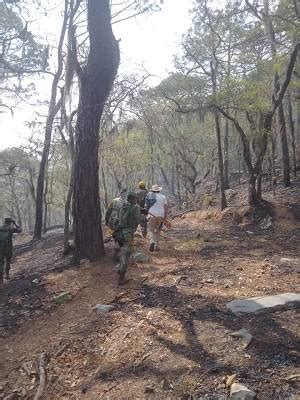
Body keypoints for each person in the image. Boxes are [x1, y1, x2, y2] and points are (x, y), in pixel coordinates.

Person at [114, 192, 140, 285]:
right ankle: (121, 277)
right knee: (126, 253)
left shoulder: (122, 206)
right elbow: (137, 220)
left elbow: (117, 218)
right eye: (136, 199)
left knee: (123, 252)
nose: (136, 200)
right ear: (132, 199)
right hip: (128, 233)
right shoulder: (135, 207)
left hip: (119, 232)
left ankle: (119, 268)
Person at [105, 189, 127, 261]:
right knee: (121, 238)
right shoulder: (129, 203)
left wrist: (107, 221)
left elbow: (108, 211)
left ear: (120, 194)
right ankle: (118, 251)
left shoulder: (114, 200)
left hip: (112, 222)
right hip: (122, 223)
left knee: (114, 235)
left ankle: (117, 250)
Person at [145, 184, 168, 252]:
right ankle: (156, 246)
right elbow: (166, 208)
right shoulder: (163, 197)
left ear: (152, 190)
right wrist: (165, 217)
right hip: (161, 215)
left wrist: (146, 215)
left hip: (151, 215)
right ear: (159, 190)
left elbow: (146, 207)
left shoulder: (149, 196)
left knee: (150, 230)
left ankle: (152, 241)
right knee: (158, 231)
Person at [0, 218, 22, 286]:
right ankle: (7, 274)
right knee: (8, 260)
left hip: (0, 248)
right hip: (8, 248)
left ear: (4, 222)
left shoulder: (0, 227)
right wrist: (15, 224)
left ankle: (1, 279)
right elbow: (20, 230)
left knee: (1, 262)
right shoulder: (11, 228)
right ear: (10, 222)